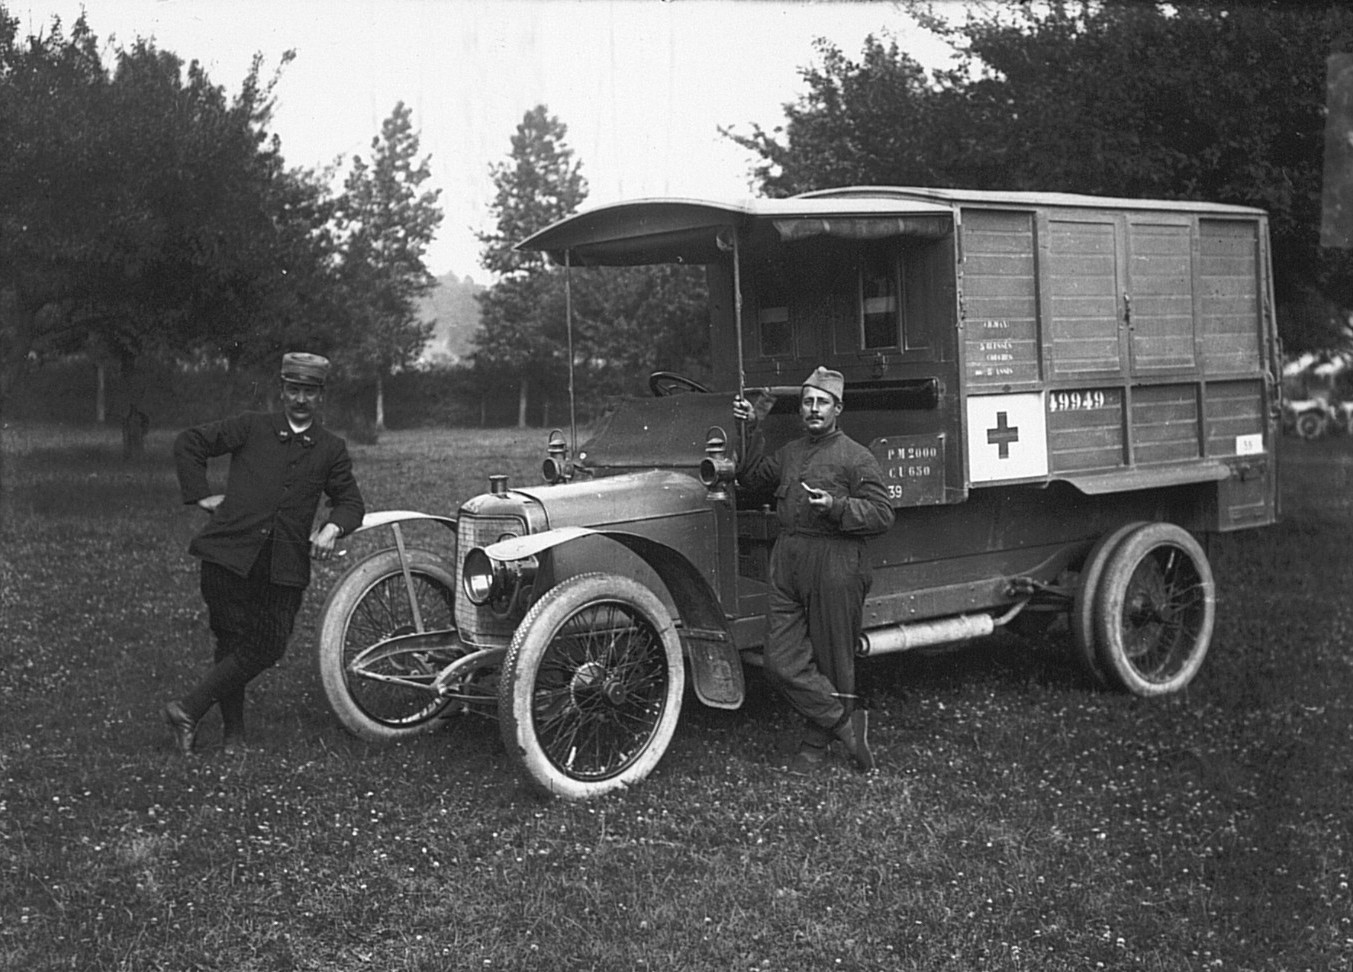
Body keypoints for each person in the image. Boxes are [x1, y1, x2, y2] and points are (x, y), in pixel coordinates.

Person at [163, 352, 366, 756]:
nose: (301, 399)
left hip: (283, 566)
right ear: (282, 391)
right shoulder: (252, 426)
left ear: (320, 396)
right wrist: (201, 494)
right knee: (232, 640)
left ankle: (187, 709)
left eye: (309, 392)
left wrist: (332, 527)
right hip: (228, 554)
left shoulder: (330, 448)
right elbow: (191, 443)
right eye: (294, 390)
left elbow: (351, 503)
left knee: (270, 644)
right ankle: (233, 736)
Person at [733, 367, 895, 775]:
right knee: (780, 660)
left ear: (838, 408)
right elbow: (751, 480)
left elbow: (882, 515)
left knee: (833, 660)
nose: (813, 409)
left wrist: (837, 508)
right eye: (808, 401)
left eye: (822, 402)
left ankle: (814, 744)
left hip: (836, 561)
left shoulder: (856, 457)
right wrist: (751, 429)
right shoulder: (790, 452)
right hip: (789, 558)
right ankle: (844, 725)